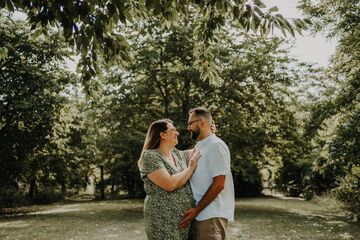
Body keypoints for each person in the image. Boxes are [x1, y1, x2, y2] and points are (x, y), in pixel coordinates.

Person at [138, 119, 201, 240]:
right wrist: (190, 168)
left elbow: (200, 149)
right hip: (162, 219)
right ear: (162, 135)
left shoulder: (177, 154)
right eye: (173, 130)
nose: (177, 133)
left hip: (181, 220)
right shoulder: (151, 156)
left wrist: (209, 132)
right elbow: (170, 184)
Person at [180, 107, 235, 240]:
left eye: (190, 123)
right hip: (201, 216)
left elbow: (219, 184)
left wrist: (196, 210)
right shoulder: (201, 145)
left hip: (211, 216)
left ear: (202, 123)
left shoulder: (216, 145)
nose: (188, 128)